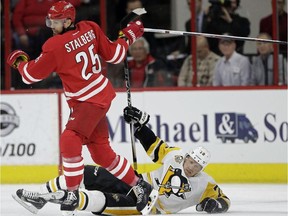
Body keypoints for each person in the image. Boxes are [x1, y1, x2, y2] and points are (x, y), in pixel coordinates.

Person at [6, 1, 157, 215]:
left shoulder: (54, 46)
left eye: (56, 22)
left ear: (68, 21)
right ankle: (140, 186)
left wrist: (18, 61)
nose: (51, 26)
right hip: (99, 96)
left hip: (88, 101)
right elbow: (114, 55)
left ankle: (72, 193)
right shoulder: (90, 27)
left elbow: (30, 75)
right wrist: (128, 36)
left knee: (69, 138)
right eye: (51, 21)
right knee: (102, 154)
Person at [13, 106, 231, 215]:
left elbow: (224, 200)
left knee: (103, 199)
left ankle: (66, 200)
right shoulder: (176, 155)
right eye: (192, 161)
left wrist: (214, 205)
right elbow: (155, 146)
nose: (192, 167)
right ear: (189, 156)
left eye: (197, 166)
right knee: (88, 173)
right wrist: (139, 125)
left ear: (202, 168)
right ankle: (40, 196)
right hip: (138, 183)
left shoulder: (205, 184)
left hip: (149, 206)